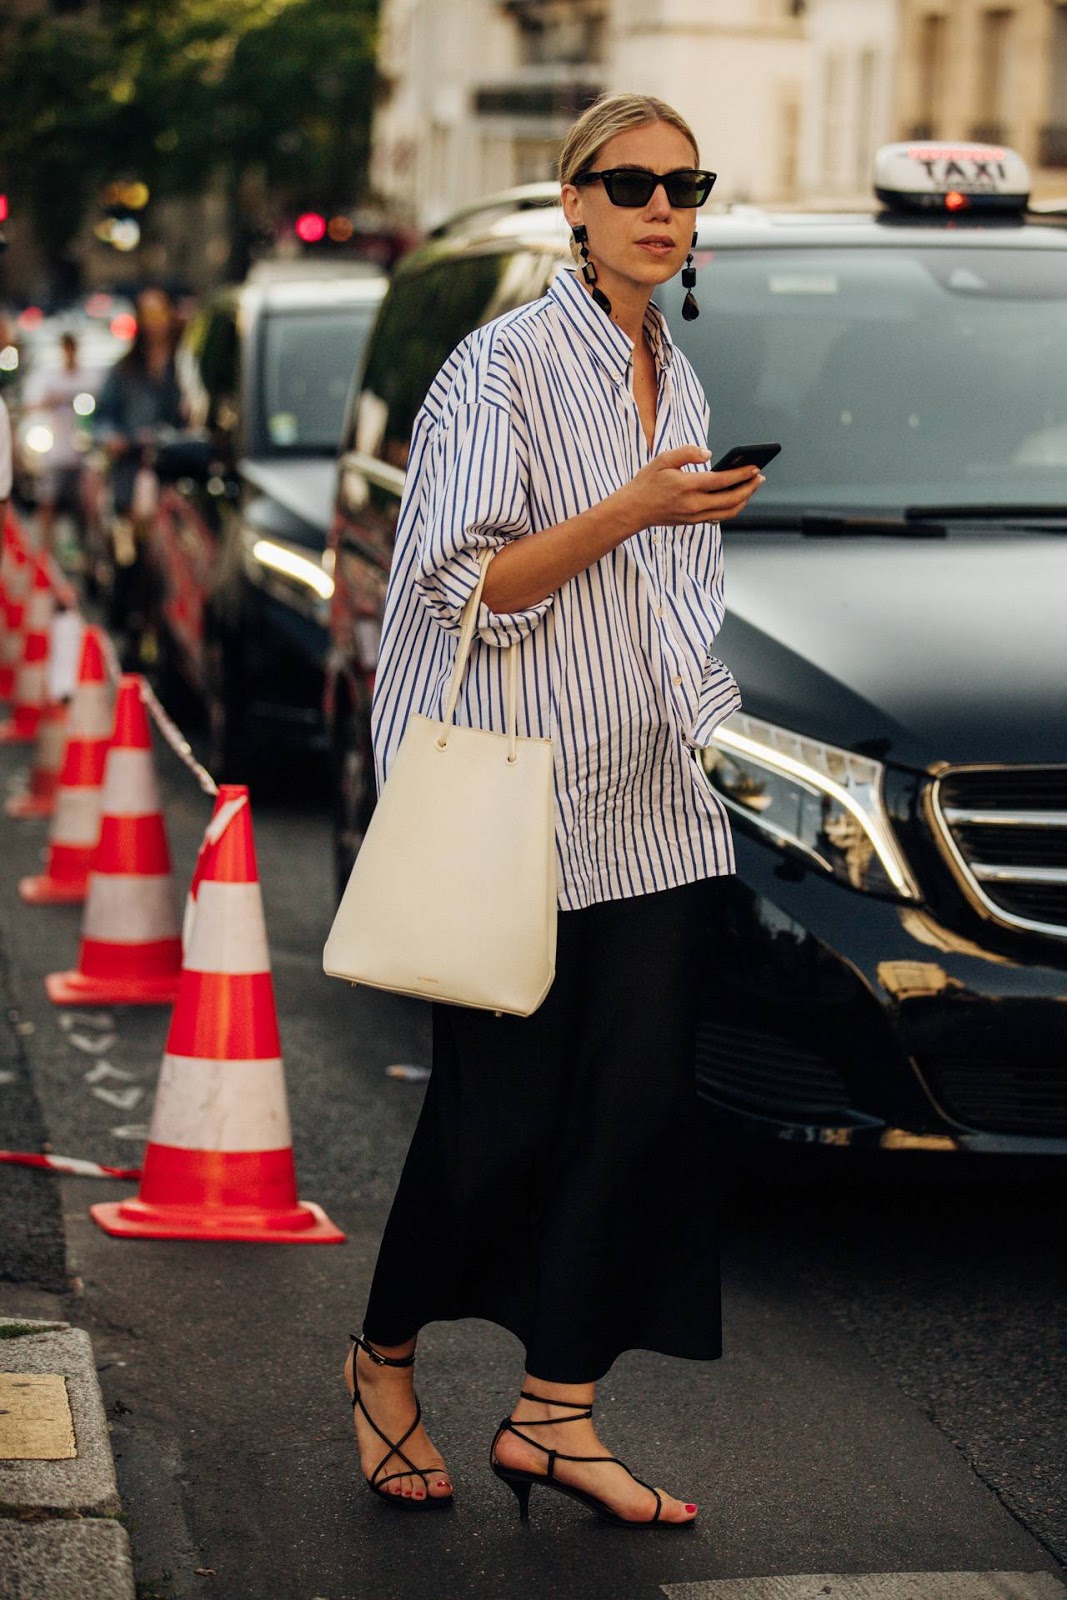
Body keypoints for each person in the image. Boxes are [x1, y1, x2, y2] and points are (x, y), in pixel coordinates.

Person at [344, 93, 764, 1527]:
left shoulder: (680, 383)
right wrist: (633, 511)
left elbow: (665, 608)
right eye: (630, 181)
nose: (661, 205)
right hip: (513, 807)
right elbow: (467, 584)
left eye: (683, 183)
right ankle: (381, 1361)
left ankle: (555, 1416)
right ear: (571, 202)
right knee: (497, 1127)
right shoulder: (500, 367)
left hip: (648, 806)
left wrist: (718, 718)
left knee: (633, 1118)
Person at [94, 286, 183, 658]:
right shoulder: (124, 369)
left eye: (160, 315)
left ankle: (156, 628)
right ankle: (132, 625)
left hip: (171, 478)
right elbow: (101, 420)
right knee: (130, 557)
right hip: (132, 481)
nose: (155, 325)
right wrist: (114, 439)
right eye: (148, 316)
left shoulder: (182, 366)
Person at [23, 330, 92, 557]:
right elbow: (32, 406)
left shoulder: (87, 378)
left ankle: (85, 555)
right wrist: (50, 402)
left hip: (81, 454)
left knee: (82, 510)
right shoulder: (51, 377)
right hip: (55, 452)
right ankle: (45, 554)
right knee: (47, 505)